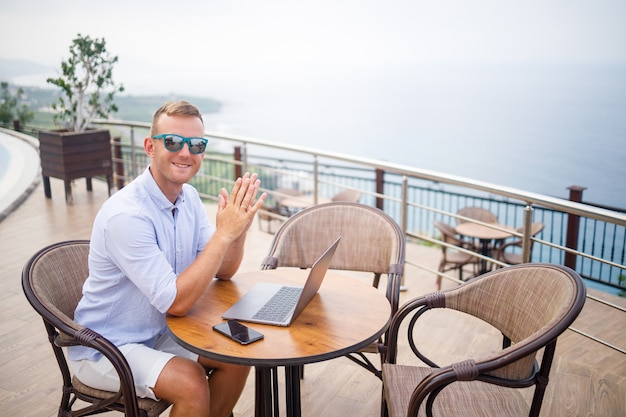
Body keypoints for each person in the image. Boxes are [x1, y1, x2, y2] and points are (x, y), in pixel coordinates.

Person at [68, 100, 266, 417]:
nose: (186, 153)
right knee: (191, 382)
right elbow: (176, 302)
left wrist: (237, 228)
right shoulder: (127, 215)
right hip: (106, 346)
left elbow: (224, 271)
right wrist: (223, 234)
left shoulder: (188, 199)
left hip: (161, 332)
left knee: (235, 354)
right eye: (173, 142)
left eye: (196, 144)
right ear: (150, 146)